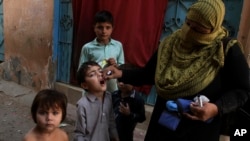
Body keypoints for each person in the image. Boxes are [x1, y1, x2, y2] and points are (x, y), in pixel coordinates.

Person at [103, 0, 250, 141]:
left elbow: (242, 90)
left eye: (197, 29)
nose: (188, 32)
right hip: (163, 127)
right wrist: (121, 73)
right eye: (187, 23)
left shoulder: (226, 50)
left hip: (197, 131)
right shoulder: (171, 44)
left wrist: (216, 108)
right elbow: (149, 74)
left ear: (213, 28)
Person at [78, 10, 125, 93]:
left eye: (107, 27)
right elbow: (81, 71)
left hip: (111, 89)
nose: (104, 31)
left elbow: (122, 68)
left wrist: (115, 65)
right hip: (93, 90)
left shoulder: (118, 46)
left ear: (112, 29)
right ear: (94, 28)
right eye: (100, 27)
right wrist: (98, 66)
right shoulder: (87, 47)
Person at [74, 61, 119, 141]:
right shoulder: (83, 104)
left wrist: (115, 137)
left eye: (100, 71)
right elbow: (79, 134)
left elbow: (111, 122)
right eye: (92, 74)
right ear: (85, 85)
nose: (99, 74)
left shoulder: (109, 97)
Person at [112, 64, 146, 141]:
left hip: (125, 136)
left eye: (125, 81)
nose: (121, 84)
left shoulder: (137, 100)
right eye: (119, 80)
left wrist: (129, 114)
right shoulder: (114, 95)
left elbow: (142, 118)